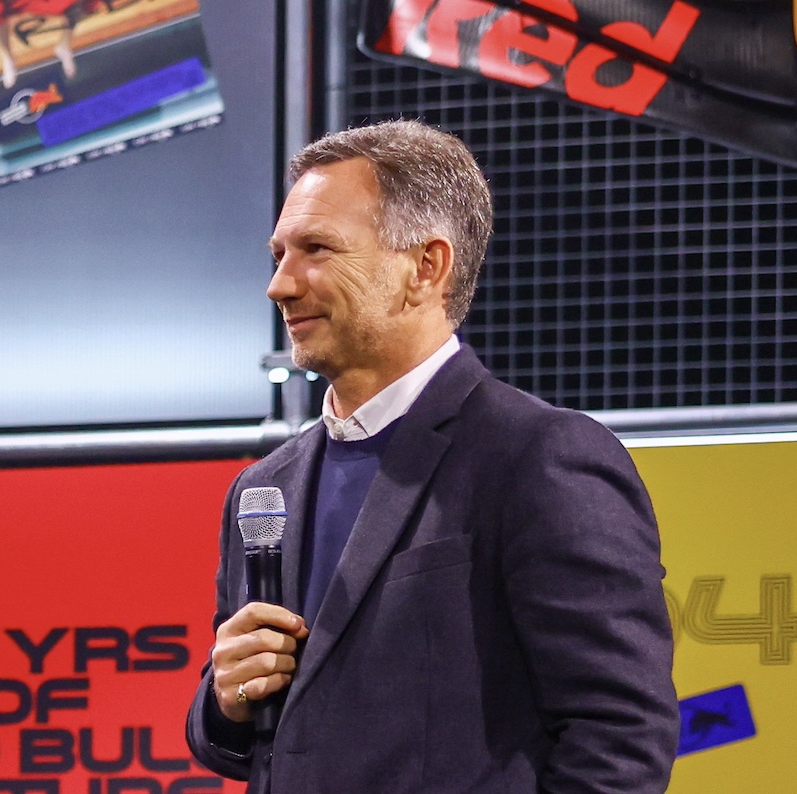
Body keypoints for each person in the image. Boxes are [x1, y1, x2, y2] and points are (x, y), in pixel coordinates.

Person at [186, 119, 679, 793]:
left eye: (317, 249)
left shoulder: (537, 457)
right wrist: (225, 702)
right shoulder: (263, 490)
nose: (280, 285)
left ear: (426, 267)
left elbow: (619, 738)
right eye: (278, 255)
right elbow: (250, 742)